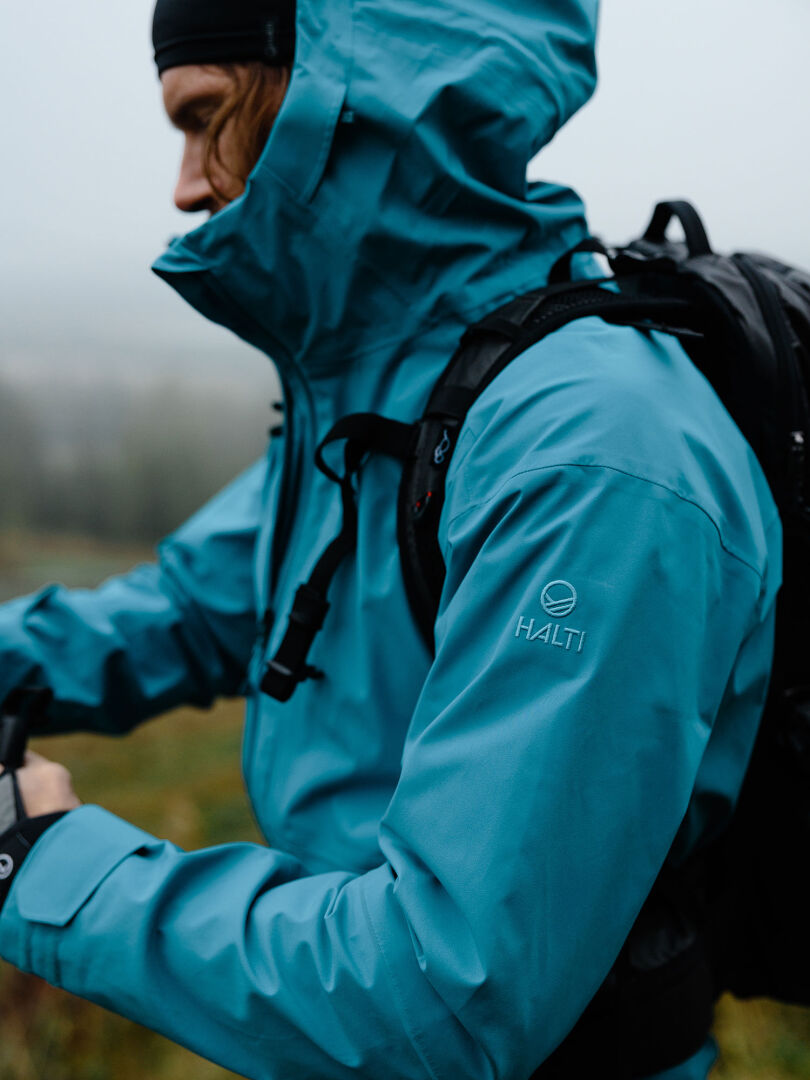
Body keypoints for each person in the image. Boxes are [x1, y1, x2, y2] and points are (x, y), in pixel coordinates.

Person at [0, 0, 781, 1077]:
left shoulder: (590, 456)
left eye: (207, 116)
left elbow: (449, 992)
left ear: (344, 101)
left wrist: (38, 862)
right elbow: (196, 607)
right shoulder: (388, 393)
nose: (184, 185)